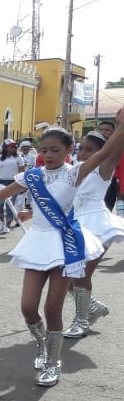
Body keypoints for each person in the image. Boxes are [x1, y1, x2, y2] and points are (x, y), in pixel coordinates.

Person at [0, 117, 124, 386]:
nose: (48, 155)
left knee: (52, 308)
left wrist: (121, 126)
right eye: (45, 150)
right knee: (28, 307)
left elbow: (108, 151)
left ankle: (53, 363)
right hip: (38, 243)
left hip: (65, 244)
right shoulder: (32, 176)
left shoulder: (75, 173)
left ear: (69, 150)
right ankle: (42, 345)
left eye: (56, 150)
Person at [62, 130, 124, 338]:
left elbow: (113, 153)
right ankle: (92, 305)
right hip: (74, 224)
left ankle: (81, 322)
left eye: (90, 150)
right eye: (81, 149)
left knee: (81, 274)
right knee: (66, 275)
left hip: (97, 225)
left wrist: (121, 126)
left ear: (101, 152)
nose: (83, 154)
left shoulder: (103, 169)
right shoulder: (74, 170)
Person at [0, 142, 25, 233]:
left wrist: (23, 185)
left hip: (13, 183)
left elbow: (22, 172)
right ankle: (1, 221)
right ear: (6, 148)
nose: (14, 148)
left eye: (14, 146)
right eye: (11, 146)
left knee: (10, 205)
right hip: (0, 182)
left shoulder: (19, 158)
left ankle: (7, 225)